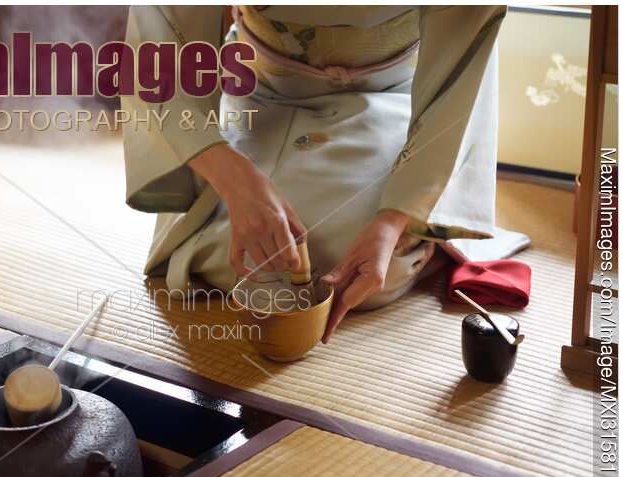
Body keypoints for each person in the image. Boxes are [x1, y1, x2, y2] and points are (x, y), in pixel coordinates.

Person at [121, 6, 527, 342]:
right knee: (247, 251)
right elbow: (158, 51)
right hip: (258, 87)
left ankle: (420, 225)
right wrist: (235, 179)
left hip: (394, 96)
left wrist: (395, 218)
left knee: (347, 259)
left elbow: (463, 64)